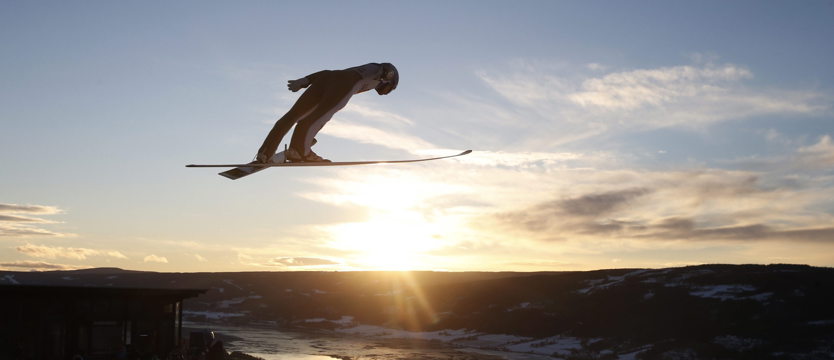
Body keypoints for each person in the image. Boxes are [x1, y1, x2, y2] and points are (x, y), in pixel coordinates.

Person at [256, 62, 399, 163]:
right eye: (389, 88)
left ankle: (265, 153)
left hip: (326, 79)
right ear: (390, 80)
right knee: (318, 118)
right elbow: (386, 71)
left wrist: (307, 80)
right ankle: (300, 151)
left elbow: (331, 73)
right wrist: (386, 75)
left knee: (293, 116)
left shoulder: (363, 70)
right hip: (344, 85)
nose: (384, 91)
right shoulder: (379, 71)